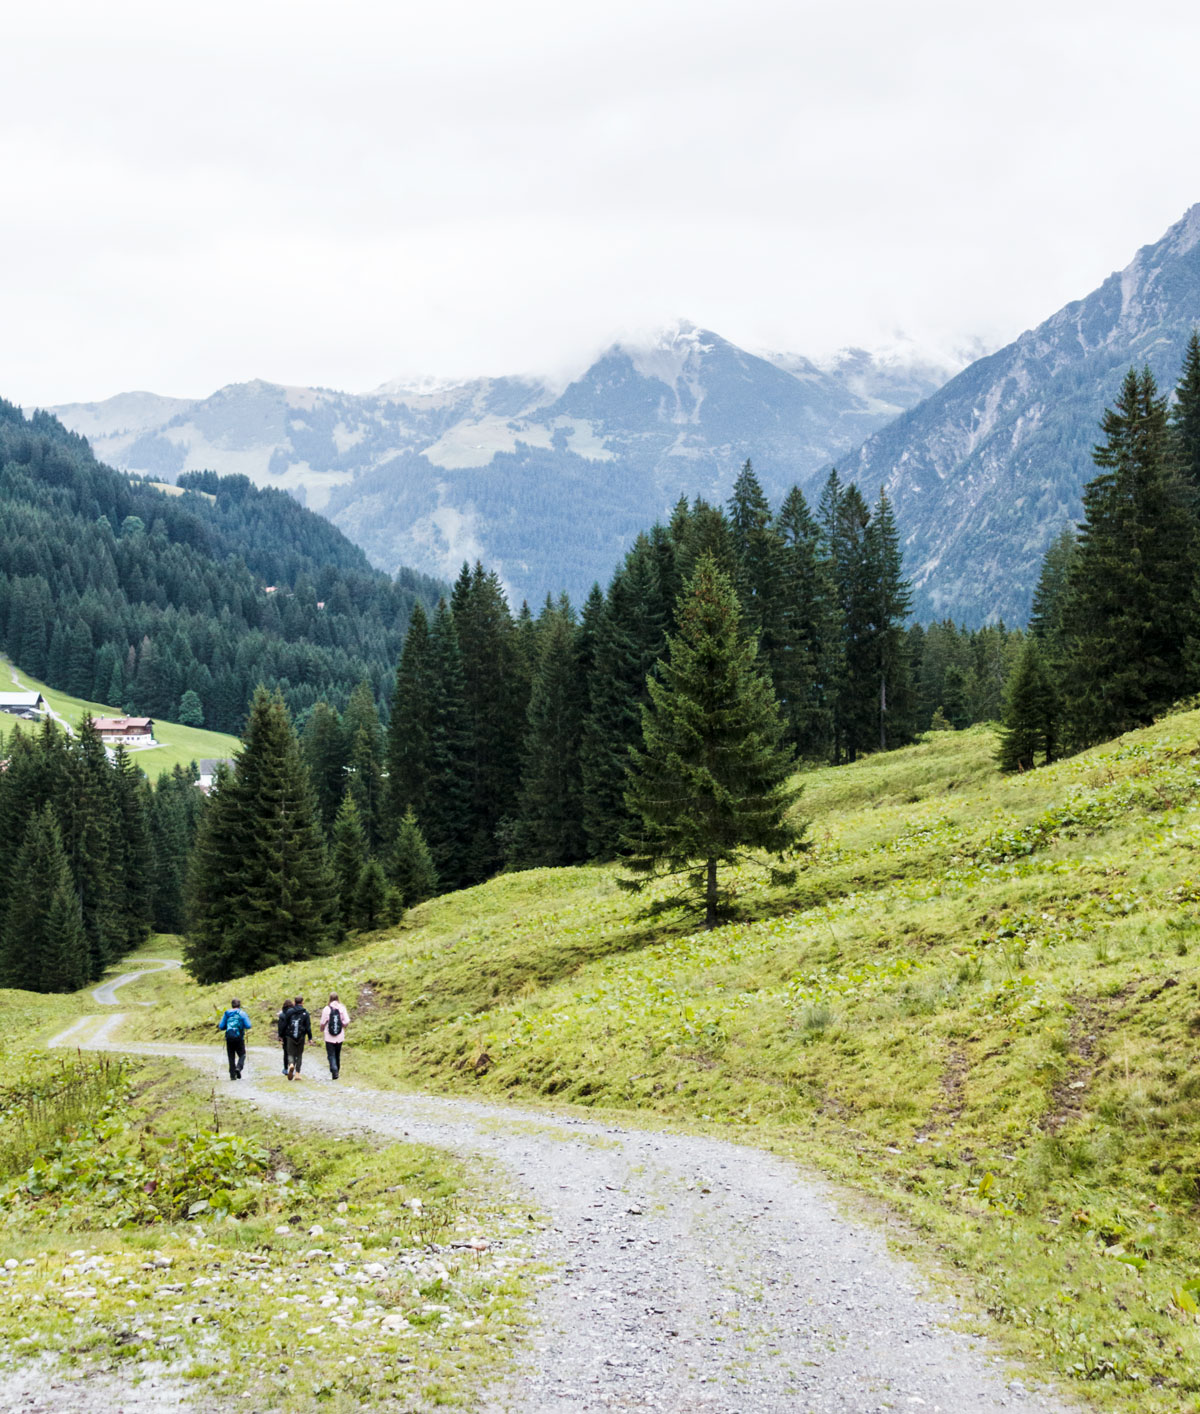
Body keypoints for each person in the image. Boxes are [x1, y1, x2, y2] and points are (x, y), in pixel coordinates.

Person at [217, 998, 251, 1080]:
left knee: (231, 1056)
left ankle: (232, 1075)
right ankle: (238, 1068)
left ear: (232, 1005)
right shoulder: (242, 1013)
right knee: (242, 1054)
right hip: (239, 1037)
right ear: (239, 1005)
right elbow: (248, 1025)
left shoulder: (227, 1013)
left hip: (229, 1037)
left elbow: (221, 1026)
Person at [320, 992, 350, 1079]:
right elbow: (347, 1020)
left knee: (331, 1054)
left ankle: (334, 1069)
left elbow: (322, 1022)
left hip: (329, 1036)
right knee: (337, 1054)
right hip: (340, 1036)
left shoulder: (327, 1009)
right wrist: (343, 1025)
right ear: (338, 998)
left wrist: (322, 1029)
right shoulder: (342, 1008)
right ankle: (337, 1070)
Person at [284, 995, 312, 1079]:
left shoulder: (289, 1012)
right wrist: (310, 1038)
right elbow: (308, 1026)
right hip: (301, 1036)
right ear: (302, 1002)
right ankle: (297, 1074)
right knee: (299, 1054)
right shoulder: (305, 1013)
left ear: (294, 1002)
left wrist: (282, 1034)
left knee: (290, 1053)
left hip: (290, 1036)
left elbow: (285, 1023)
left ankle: (291, 1064)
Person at [276, 997, 295, 1075]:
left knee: (286, 1052)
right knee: (293, 1052)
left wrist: (280, 1035)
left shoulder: (282, 1015)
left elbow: (280, 1026)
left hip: (285, 1036)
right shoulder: (294, 1014)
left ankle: (285, 1068)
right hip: (293, 1035)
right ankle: (292, 1065)